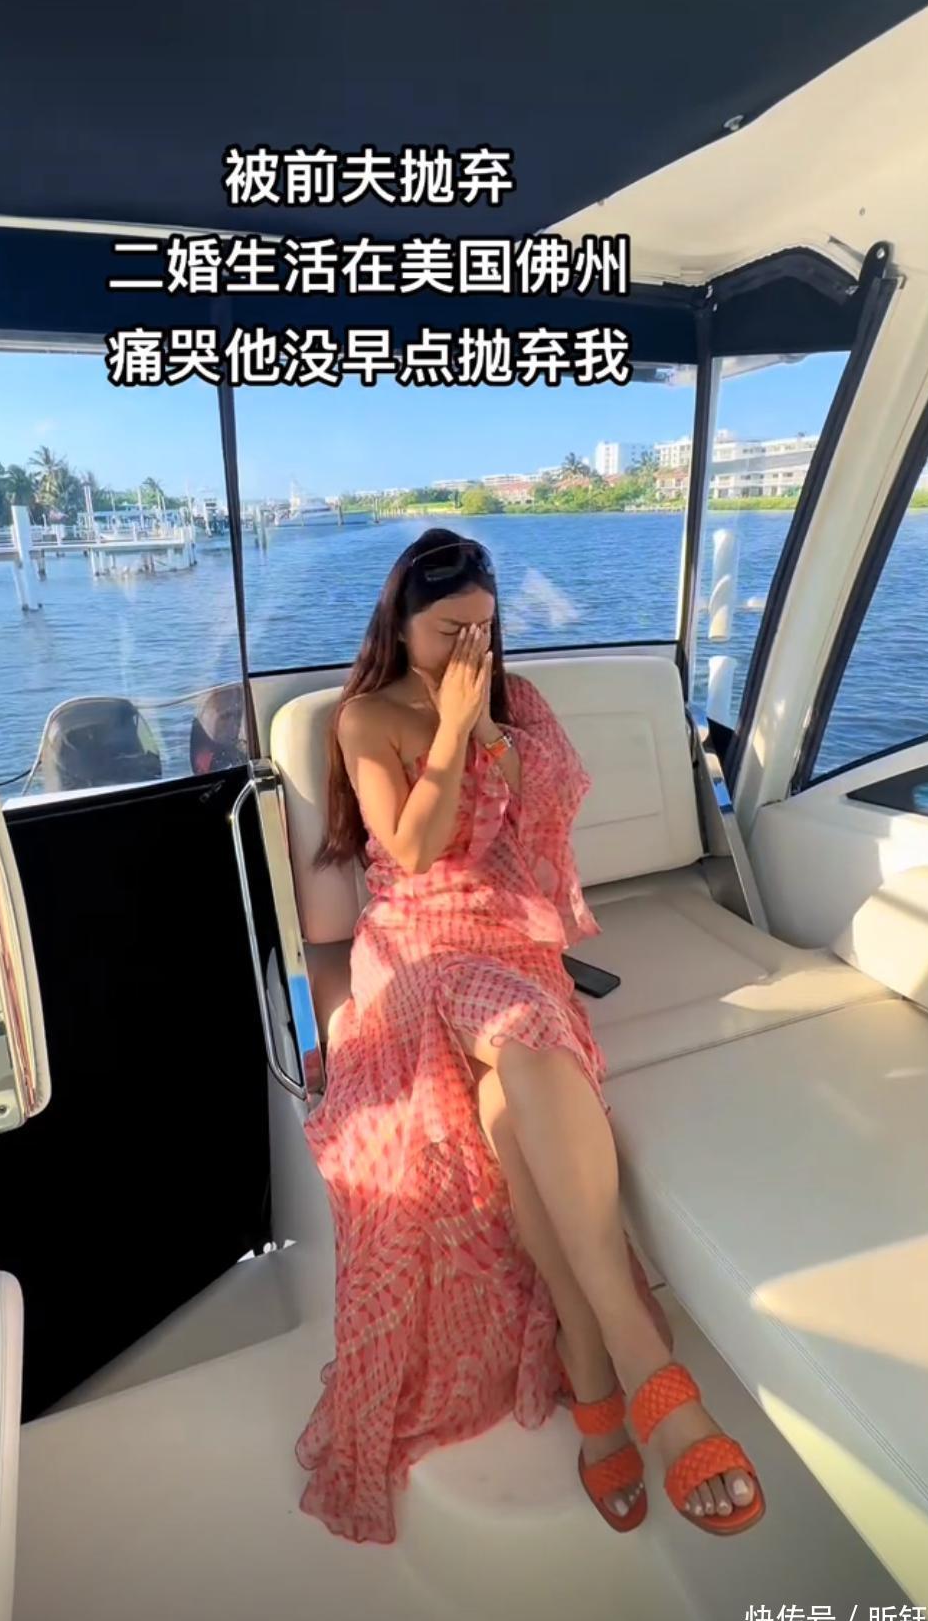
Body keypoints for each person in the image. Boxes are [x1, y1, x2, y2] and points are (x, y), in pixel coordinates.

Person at [295, 528, 764, 1545]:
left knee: (514, 1099)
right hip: (417, 939)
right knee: (522, 1029)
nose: (470, 647)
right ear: (399, 625)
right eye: (447, 629)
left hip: (509, 931)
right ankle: (643, 1362)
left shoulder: (521, 701)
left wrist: (503, 742)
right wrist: (457, 730)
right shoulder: (366, 715)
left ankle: (591, 1372)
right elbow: (413, 848)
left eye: (484, 626)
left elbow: (542, 825)